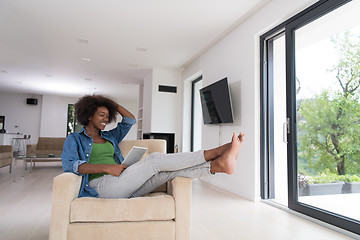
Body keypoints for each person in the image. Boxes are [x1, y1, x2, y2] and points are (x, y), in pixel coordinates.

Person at [61, 94, 245, 199]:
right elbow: (71, 166)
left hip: (124, 184)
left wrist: (111, 103)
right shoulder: (75, 139)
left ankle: (216, 166)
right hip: (99, 186)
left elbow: (129, 120)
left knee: (166, 174)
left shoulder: (110, 136)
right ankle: (217, 151)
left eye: (107, 116)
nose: (106, 119)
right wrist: (107, 167)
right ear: (88, 114)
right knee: (155, 160)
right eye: (101, 114)